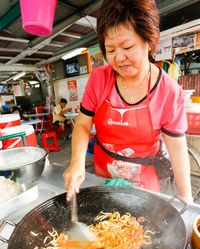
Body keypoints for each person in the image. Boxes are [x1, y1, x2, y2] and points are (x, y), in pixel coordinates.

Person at [63, 0, 193, 206]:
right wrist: (77, 162)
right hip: (103, 173)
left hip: (146, 181)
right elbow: (82, 124)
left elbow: (177, 148)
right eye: (111, 50)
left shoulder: (168, 91)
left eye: (127, 46)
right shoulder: (99, 79)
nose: (119, 58)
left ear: (148, 41)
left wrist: (186, 198)